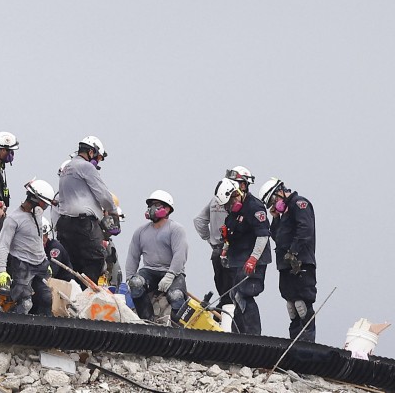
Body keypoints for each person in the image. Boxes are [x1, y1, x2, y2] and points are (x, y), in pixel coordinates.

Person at [259, 177, 317, 342]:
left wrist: (294, 251)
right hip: (285, 264)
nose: (273, 204)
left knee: (302, 303)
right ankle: (294, 342)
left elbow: (305, 229)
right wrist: (276, 218)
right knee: (291, 305)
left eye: (273, 200)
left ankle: (307, 343)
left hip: (301, 262)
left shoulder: (299, 204)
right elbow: (277, 236)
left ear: (280, 191)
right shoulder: (282, 214)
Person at [55, 137, 119, 283]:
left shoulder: (67, 168)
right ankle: (85, 296)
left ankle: (73, 295)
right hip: (83, 225)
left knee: (73, 264)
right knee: (95, 260)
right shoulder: (86, 167)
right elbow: (103, 195)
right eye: (98, 158)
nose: (98, 162)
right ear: (91, 152)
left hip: (64, 224)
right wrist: (112, 211)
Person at [216, 177, 271, 335]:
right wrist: (225, 248)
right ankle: (238, 335)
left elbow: (262, 235)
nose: (228, 207)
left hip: (253, 260)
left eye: (229, 203)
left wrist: (253, 258)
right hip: (238, 259)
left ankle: (254, 336)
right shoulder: (233, 213)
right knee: (235, 296)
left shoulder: (254, 207)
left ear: (236, 194)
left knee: (245, 294)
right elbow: (231, 233)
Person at [124, 190, 189, 324]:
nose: (153, 208)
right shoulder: (141, 231)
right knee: (136, 283)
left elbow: (180, 254)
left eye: (157, 205)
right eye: (151, 205)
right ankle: (147, 321)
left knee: (175, 296)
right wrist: (129, 278)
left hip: (173, 272)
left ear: (167, 209)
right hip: (150, 270)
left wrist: (170, 275)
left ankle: (178, 326)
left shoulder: (176, 229)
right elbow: (133, 256)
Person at [0, 179, 57, 316]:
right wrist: (2, 270)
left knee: (47, 298)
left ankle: (43, 329)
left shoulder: (38, 215)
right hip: (22, 266)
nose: (44, 207)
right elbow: (3, 245)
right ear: (35, 199)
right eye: (44, 204)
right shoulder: (13, 219)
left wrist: (45, 261)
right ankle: (10, 324)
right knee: (25, 302)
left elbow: (37, 240)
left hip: (39, 265)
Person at [193, 166, 254, 304]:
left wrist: (210, 240)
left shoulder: (215, 200)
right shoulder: (239, 203)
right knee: (235, 294)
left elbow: (199, 220)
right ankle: (230, 320)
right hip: (233, 252)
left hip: (217, 250)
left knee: (224, 291)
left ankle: (224, 316)